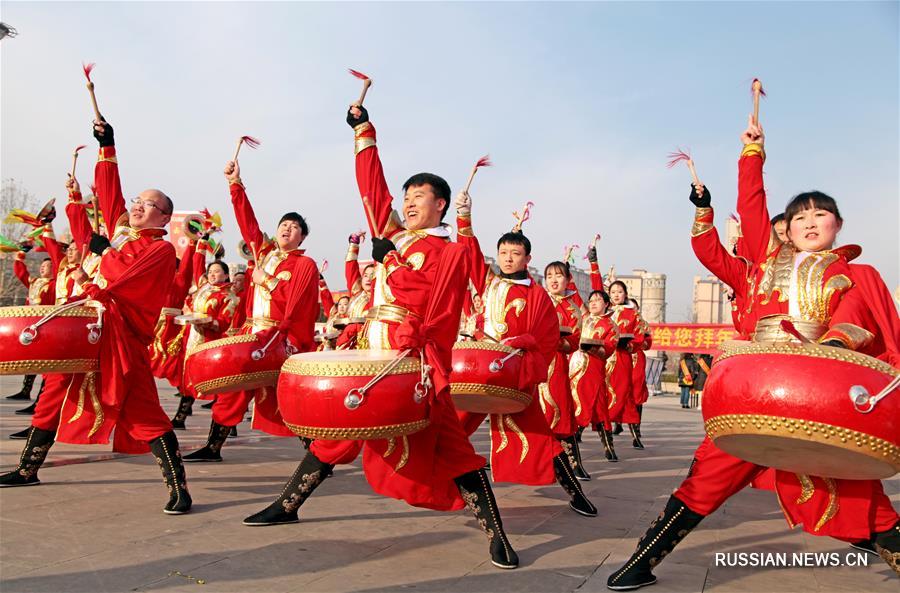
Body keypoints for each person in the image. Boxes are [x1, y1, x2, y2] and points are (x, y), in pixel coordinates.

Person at [607, 116, 900, 590]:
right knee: (705, 478)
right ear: (783, 230)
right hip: (752, 392)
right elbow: (747, 208)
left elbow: (857, 322)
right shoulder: (762, 265)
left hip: (814, 398)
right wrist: (751, 155)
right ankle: (641, 561)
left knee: (856, 497)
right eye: (798, 217)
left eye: (819, 215)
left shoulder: (853, 272)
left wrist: (829, 346)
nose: (808, 223)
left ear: (838, 224)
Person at [241, 103, 520, 570]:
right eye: (406, 195)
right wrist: (363, 132)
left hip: (411, 362)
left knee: (451, 445)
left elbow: (433, 303)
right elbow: (373, 189)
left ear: (441, 206)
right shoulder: (394, 236)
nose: (408, 202)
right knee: (337, 435)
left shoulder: (447, 251)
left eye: (419, 196)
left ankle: (497, 534)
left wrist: (388, 259)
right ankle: (287, 507)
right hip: (372, 351)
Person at [2, 117, 192, 514]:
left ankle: (178, 487)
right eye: (137, 200)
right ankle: (27, 467)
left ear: (163, 218)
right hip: (85, 326)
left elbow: (122, 275)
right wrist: (108, 146)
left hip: (120, 337)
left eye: (149, 203)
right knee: (52, 394)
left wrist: (105, 252)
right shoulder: (124, 232)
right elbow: (110, 196)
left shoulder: (160, 251)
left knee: (143, 409)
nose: (137, 206)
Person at [454, 189, 598, 516]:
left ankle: (575, 494)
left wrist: (525, 350)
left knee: (540, 438)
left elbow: (546, 340)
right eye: (503, 252)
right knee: (450, 428)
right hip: (477, 373)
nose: (507, 258)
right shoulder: (488, 282)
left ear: (526, 259)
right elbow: (469, 253)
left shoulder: (538, 297)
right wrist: (465, 215)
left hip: (513, 377)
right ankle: (442, 481)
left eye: (514, 253)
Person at [183, 160, 319, 461]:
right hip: (252, 333)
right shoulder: (265, 252)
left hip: (280, 339)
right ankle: (213, 447)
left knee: (287, 396)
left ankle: (319, 453)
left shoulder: (304, 265)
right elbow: (248, 223)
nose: (287, 229)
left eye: (295, 227)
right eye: (284, 224)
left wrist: (265, 280)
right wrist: (235, 184)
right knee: (233, 387)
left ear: (302, 238)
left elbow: (296, 304)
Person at [540, 259, 590, 479]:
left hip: (557, 364)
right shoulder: (538, 299)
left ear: (568, 280)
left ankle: (572, 464)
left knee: (560, 412)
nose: (553, 280)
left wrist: (558, 342)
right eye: (549, 275)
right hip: (534, 361)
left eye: (558, 275)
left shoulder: (573, 309)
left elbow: (576, 339)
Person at [569, 288, 620, 461]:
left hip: (593, 370)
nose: (593, 302)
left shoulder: (611, 326)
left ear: (606, 304)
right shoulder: (583, 320)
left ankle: (609, 447)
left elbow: (608, 349)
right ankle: (572, 439)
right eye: (591, 300)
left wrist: (592, 347)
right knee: (574, 403)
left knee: (597, 408)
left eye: (598, 299)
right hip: (574, 368)